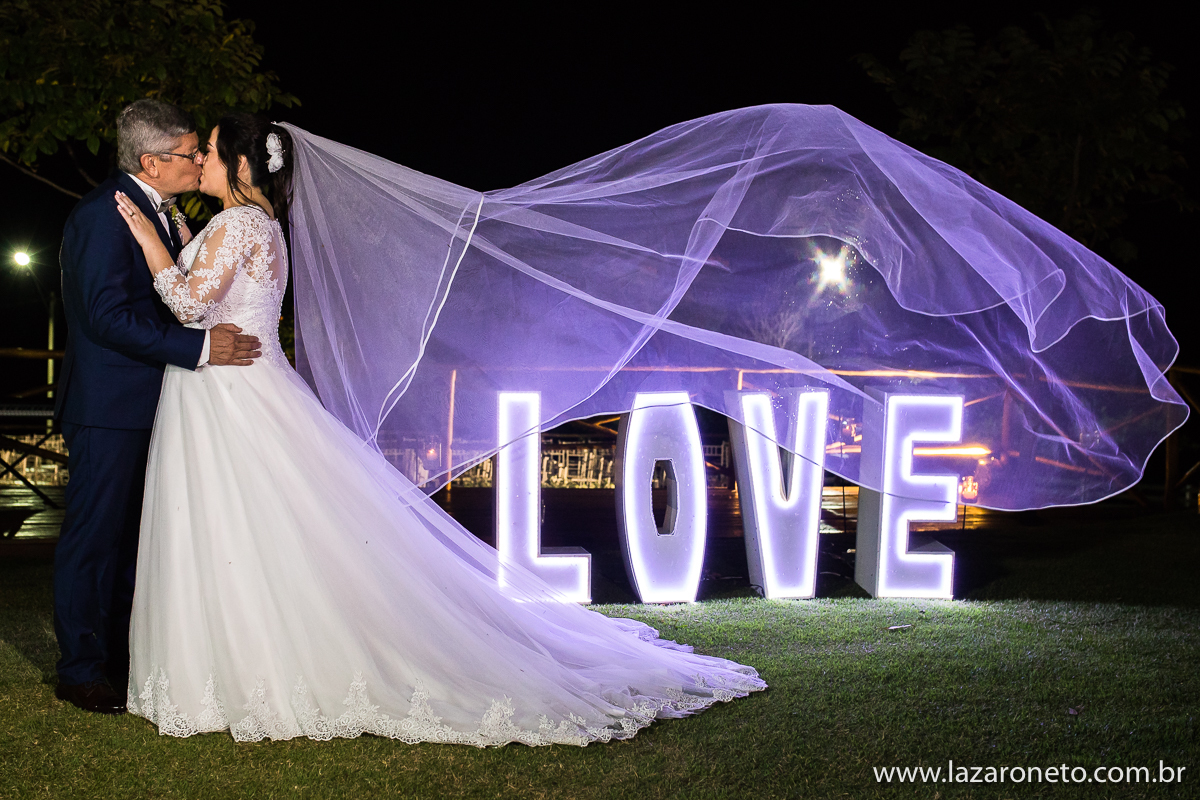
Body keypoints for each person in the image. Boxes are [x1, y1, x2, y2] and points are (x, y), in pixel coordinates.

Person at [112, 113, 765, 745]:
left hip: (231, 392)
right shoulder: (264, 226)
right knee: (260, 528)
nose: (200, 159)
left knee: (236, 524)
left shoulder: (237, 224)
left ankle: (239, 665)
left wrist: (148, 239)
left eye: (211, 150)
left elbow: (190, 304)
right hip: (245, 386)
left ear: (241, 165)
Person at [54, 99, 262, 716]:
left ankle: (125, 659)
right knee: (95, 537)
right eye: (191, 153)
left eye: (201, 152)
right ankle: (81, 670)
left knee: (135, 541)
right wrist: (199, 348)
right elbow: (106, 317)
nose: (199, 161)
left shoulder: (164, 214)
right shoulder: (102, 215)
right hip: (109, 406)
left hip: (158, 402)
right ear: (152, 161)